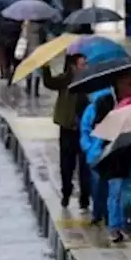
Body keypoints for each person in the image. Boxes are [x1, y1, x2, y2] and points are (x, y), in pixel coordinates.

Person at [80, 86, 129, 241]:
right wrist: (90, 150)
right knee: (103, 190)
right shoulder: (93, 110)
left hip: (110, 157)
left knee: (113, 191)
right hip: (97, 156)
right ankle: (102, 216)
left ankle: (112, 222)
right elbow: (85, 132)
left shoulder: (119, 113)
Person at [44, 53, 91, 209]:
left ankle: (84, 197)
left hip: (84, 130)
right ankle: (66, 192)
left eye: (85, 64)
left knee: (84, 166)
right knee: (66, 165)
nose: (85, 67)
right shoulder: (66, 80)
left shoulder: (90, 81)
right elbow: (50, 82)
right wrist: (45, 67)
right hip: (67, 129)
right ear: (73, 66)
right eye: (82, 64)